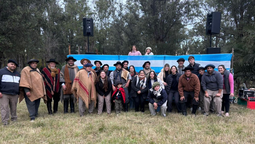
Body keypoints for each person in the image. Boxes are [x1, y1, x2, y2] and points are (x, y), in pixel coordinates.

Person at [0, 60, 20, 125]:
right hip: (4, 94)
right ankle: (5, 121)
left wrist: (19, 93)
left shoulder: (18, 74)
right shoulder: (1, 72)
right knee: (4, 108)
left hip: (14, 94)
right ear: (8, 64)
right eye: (12, 64)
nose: (13, 66)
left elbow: (19, 83)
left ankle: (14, 119)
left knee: (14, 108)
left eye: (14, 65)